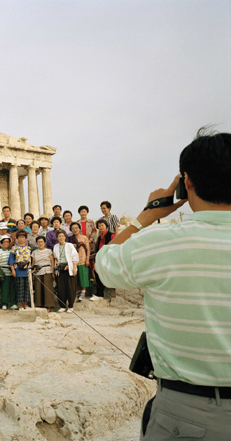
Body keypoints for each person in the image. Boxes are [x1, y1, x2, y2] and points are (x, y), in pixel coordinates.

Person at [96, 129, 231, 440]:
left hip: (187, 414)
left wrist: (147, 215)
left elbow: (105, 264)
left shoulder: (160, 243)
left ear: (187, 183)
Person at [53, 230, 79, 312]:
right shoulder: (55, 246)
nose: (61, 237)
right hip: (60, 269)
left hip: (69, 268)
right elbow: (55, 257)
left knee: (70, 287)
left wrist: (74, 267)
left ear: (65, 237)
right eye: (59, 236)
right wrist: (55, 262)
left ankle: (71, 306)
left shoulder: (69, 245)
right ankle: (62, 306)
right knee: (61, 288)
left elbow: (75, 256)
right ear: (57, 238)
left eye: (62, 236)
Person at [31, 236, 55, 311]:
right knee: (38, 288)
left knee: (47, 289)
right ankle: (40, 305)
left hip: (47, 270)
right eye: (39, 242)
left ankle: (48, 305)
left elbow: (52, 262)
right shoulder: (34, 252)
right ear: (37, 243)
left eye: (42, 242)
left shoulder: (49, 251)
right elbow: (33, 263)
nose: (40, 243)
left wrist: (53, 272)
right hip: (38, 271)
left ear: (44, 242)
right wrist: (32, 273)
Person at [92, 219, 115, 300]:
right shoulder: (99, 237)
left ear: (106, 226)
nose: (101, 227)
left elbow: (115, 246)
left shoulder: (111, 235)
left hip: (108, 258)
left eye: (102, 225)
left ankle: (100, 293)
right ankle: (99, 293)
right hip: (100, 258)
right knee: (97, 272)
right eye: (99, 226)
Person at [8, 231, 31, 310]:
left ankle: (26, 304)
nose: (21, 239)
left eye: (23, 237)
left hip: (27, 270)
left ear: (25, 239)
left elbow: (31, 260)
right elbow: (11, 260)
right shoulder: (14, 248)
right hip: (18, 270)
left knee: (27, 288)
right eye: (20, 237)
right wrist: (13, 270)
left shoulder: (28, 248)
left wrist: (30, 270)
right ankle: (20, 305)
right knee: (19, 288)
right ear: (17, 239)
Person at [70, 222, 90, 301]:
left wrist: (87, 259)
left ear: (79, 229)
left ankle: (83, 292)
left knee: (83, 275)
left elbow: (88, 249)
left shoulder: (84, 238)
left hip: (82, 258)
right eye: (73, 228)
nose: (75, 230)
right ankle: (78, 291)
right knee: (76, 276)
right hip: (74, 261)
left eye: (76, 228)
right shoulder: (70, 239)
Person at [0, 235, 17, 310]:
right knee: (4, 289)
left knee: (12, 288)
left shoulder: (11, 251)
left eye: (7, 242)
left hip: (12, 271)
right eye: (4, 242)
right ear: (2, 243)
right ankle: (4, 303)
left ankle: (13, 303)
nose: (6, 243)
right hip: (4, 272)